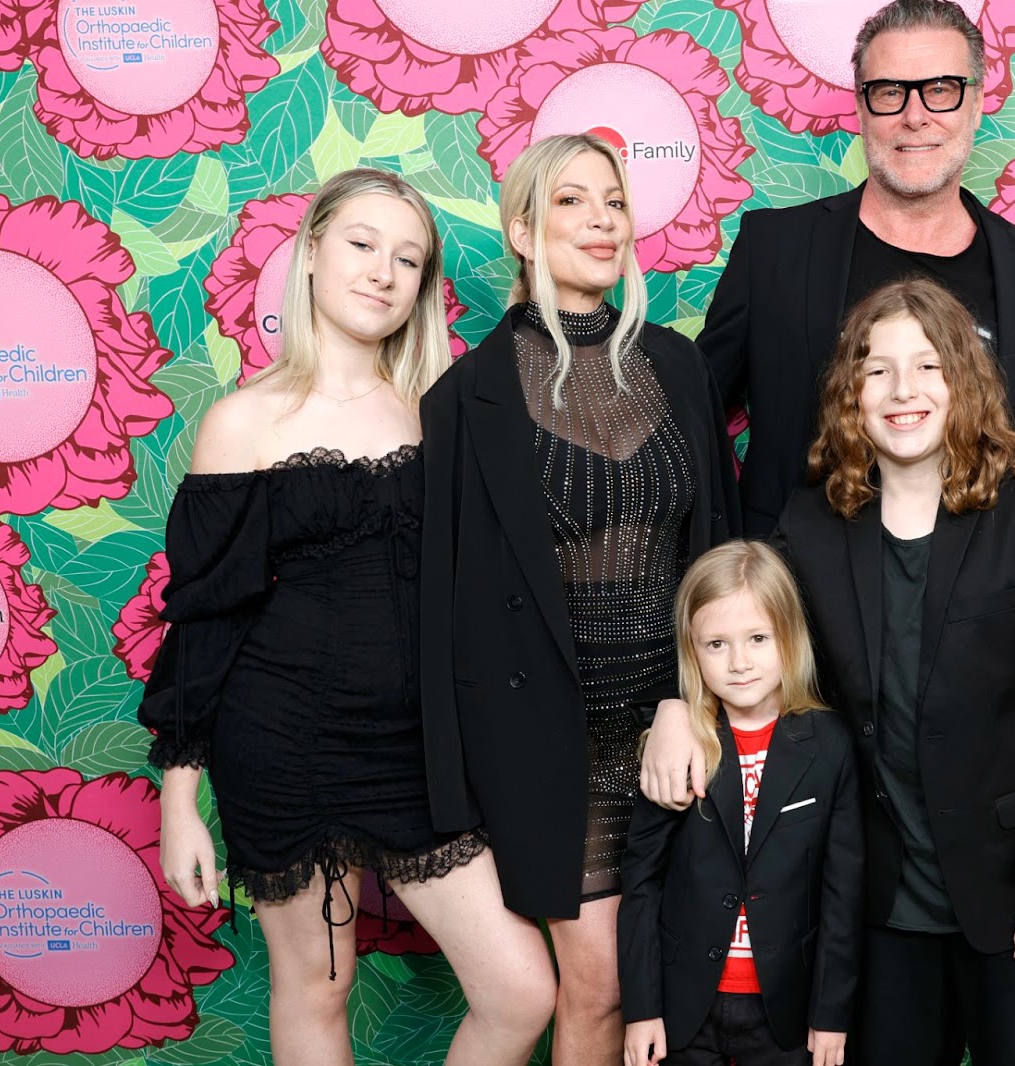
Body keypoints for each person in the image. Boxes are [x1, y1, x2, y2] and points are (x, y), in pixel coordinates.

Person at [141, 168, 551, 1065]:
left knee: (521, 992)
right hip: (283, 745)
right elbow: (203, 619)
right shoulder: (243, 422)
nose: (383, 272)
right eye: (363, 245)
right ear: (315, 251)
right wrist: (180, 803)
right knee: (318, 992)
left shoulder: (444, 414)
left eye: (408, 259)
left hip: (420, 749)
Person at [645, 276, 1015, 1064]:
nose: (904, 391)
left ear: (962, 381)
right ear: (850, 394)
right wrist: (671, 702)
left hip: (1011, 893)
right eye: (878, 370)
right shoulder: (810, 525)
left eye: (928, 366)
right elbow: (738, 631)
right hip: (875, 903)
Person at [420, 133, 740, 1065]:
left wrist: (688, 700)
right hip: (555, 748)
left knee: (693, 976)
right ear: (522, 228)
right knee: (598, 990)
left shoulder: (679, 366)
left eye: (613, 200)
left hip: (684, 722)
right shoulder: (465, 400)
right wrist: (450, 800)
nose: (601, 220)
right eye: (571, 202)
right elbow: (445, 611)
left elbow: (712, 552)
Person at [700, 0, 1015, 533]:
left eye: (940, 89)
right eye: (890, 91)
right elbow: (694, 412)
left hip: (976, 597)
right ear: (860, 106)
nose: (915, 115)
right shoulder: (773, 248)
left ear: (977, 101)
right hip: (793, 587)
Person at [618, 541, 863, 1066]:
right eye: (716, 644)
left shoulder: (829, 744)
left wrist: (831, 1015)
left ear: (789, 637)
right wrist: (641, 1009)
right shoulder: (679, 743)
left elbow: (842, 895)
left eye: (757, 638)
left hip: (786, 1011)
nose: (740, 662)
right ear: (691, 650)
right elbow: (642, 884)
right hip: (685, 1007)